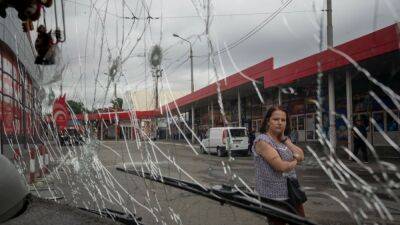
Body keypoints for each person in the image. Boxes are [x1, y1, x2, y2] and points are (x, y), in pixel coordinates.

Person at [253, 106, 306, 224]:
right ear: (268, 121)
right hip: (273, 196)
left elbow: (301, 155)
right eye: (276, 119)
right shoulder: (262, 141)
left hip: (292, 192)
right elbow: (281, 167)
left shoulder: (283, 140)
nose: (280, 123)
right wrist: (296, 160)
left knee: (301, 222)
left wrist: (286, 140)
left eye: (283, 120)